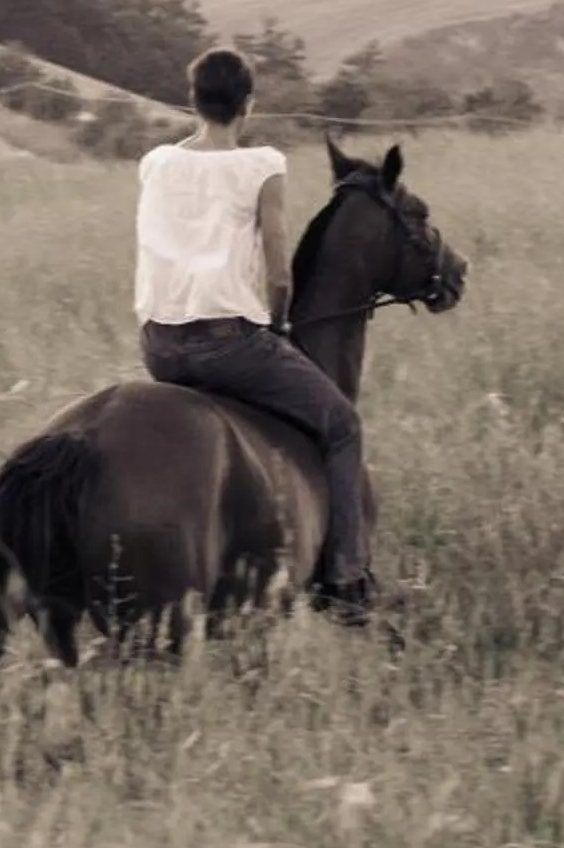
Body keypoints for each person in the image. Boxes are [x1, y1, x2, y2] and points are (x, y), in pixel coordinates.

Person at [133, 48, 381, 619]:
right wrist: (280, 318)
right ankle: (346, 578)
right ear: (250, 104)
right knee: (342, 425)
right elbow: (278, 267)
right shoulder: (261, 165)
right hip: (227, 343)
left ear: (191, 100)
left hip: (159, 347)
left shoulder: (156, 162)